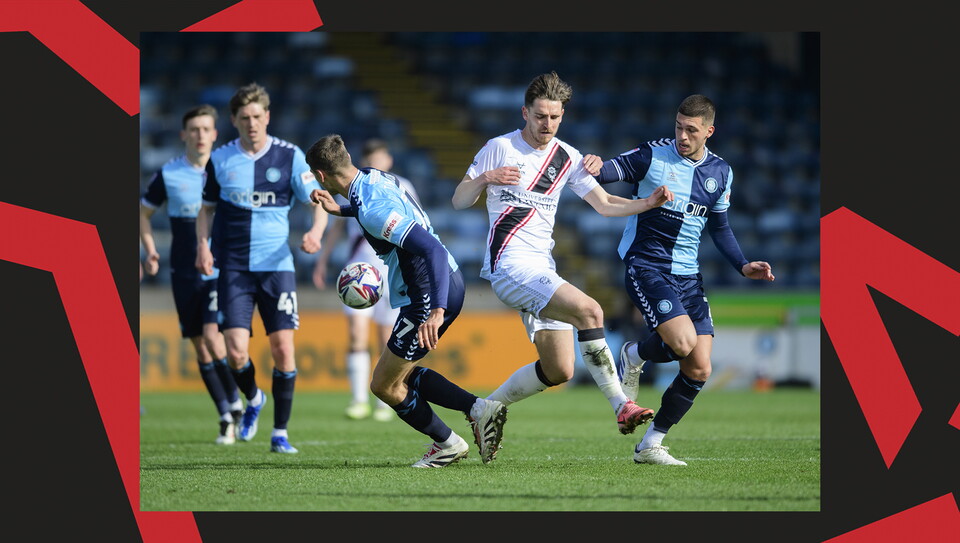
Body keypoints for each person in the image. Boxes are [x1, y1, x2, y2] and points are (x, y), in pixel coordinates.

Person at [452, 71, 674, 443]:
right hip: (509, 265)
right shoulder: (499, 148)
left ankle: (484, 408)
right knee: (591, 311)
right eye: (540, 116)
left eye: (554, 117)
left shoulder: (566, 157)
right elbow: (459, 200)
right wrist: (486, 177)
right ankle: (622, 403)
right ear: (525, 112)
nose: (547, 124)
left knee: (559, 369)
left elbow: (603, 205)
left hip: (540, 268)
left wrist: (647, 203)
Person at [305, 134, 508, 467]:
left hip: (429, 295)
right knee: (400, 371)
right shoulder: (374, 177)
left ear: (321, 176)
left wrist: (436, 311)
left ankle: (450, 441)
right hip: (445, 283)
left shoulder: (371, 209)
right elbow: (369, 208)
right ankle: (477, 410)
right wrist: (338, 209)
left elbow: (431, 249)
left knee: (384, 385)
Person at [595, 94, 775, 466]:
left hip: (689, 276)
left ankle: (650, 444)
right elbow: (607, 172)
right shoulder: (652, 155)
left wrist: (742, 265)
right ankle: (635, 354)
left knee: (699, 368)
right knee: (681, 343)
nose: (682, 135)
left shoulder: (721, 173)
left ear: (709, 131)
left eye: (691, 130)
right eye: (678, 126)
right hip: (646, 265)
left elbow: (720, 227)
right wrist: (596, 165)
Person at [195, 84, 328, 454]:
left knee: (283, 348)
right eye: (244, 118)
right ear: (234, 120)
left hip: (276, 267)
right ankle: (253, 398)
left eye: (258, 116)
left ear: (267, 117)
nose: (252, 123)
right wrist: (202, 246)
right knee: (236, 351)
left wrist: (315, 233)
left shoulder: (290, 156)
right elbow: (205, 210)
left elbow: (317, 201)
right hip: (233, 267)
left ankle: (280, 433)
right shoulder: (220, 160)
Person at [140, 104, 243, 444]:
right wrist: (150, 249)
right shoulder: (168, 173)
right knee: (200, 347)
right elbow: (142, 213)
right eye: (194, 130)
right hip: (182, 270)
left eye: (206, 129)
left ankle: (235, 408)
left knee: (214, 338)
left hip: (217, 268)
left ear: (215, 134)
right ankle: (228, 411)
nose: (200, 135)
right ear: (184, 135)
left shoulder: (228, 170)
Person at [312, 139, 420, 422]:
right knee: (356, 335)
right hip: (358, 272)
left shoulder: (402, 186)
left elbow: (417, 225)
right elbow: (337, 224)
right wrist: (322, 261)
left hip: (391, 272)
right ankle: (358, 399)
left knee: (387, 340)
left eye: (379, 157)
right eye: (370, 158)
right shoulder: (352, 187)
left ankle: (386, 399)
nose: (375, 162)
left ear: (389, 160)